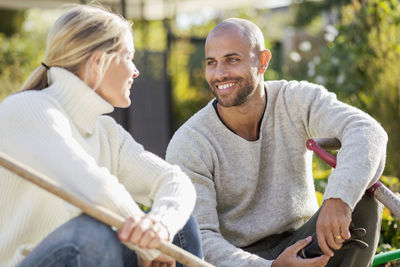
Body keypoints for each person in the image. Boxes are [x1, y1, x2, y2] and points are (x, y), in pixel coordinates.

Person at [166, 17, 387, 267]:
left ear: (262, 61)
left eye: (232, 59)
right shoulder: (190, 142)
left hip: (304, 243)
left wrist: (339, 198)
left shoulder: (294, 99)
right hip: (236, 259)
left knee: (363, 199)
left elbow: (367, 130)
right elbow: (201, 240)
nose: (219, 74)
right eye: (211, 63)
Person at [0, 4, 202, 267]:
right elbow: (93, 189)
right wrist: (151, 247)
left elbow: (174, 180)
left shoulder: (106, 133)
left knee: (178, 223)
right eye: (128, 56)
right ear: (98, 61)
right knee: (91, 231)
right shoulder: (28, 108)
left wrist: (160, 228)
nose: (135, 70)